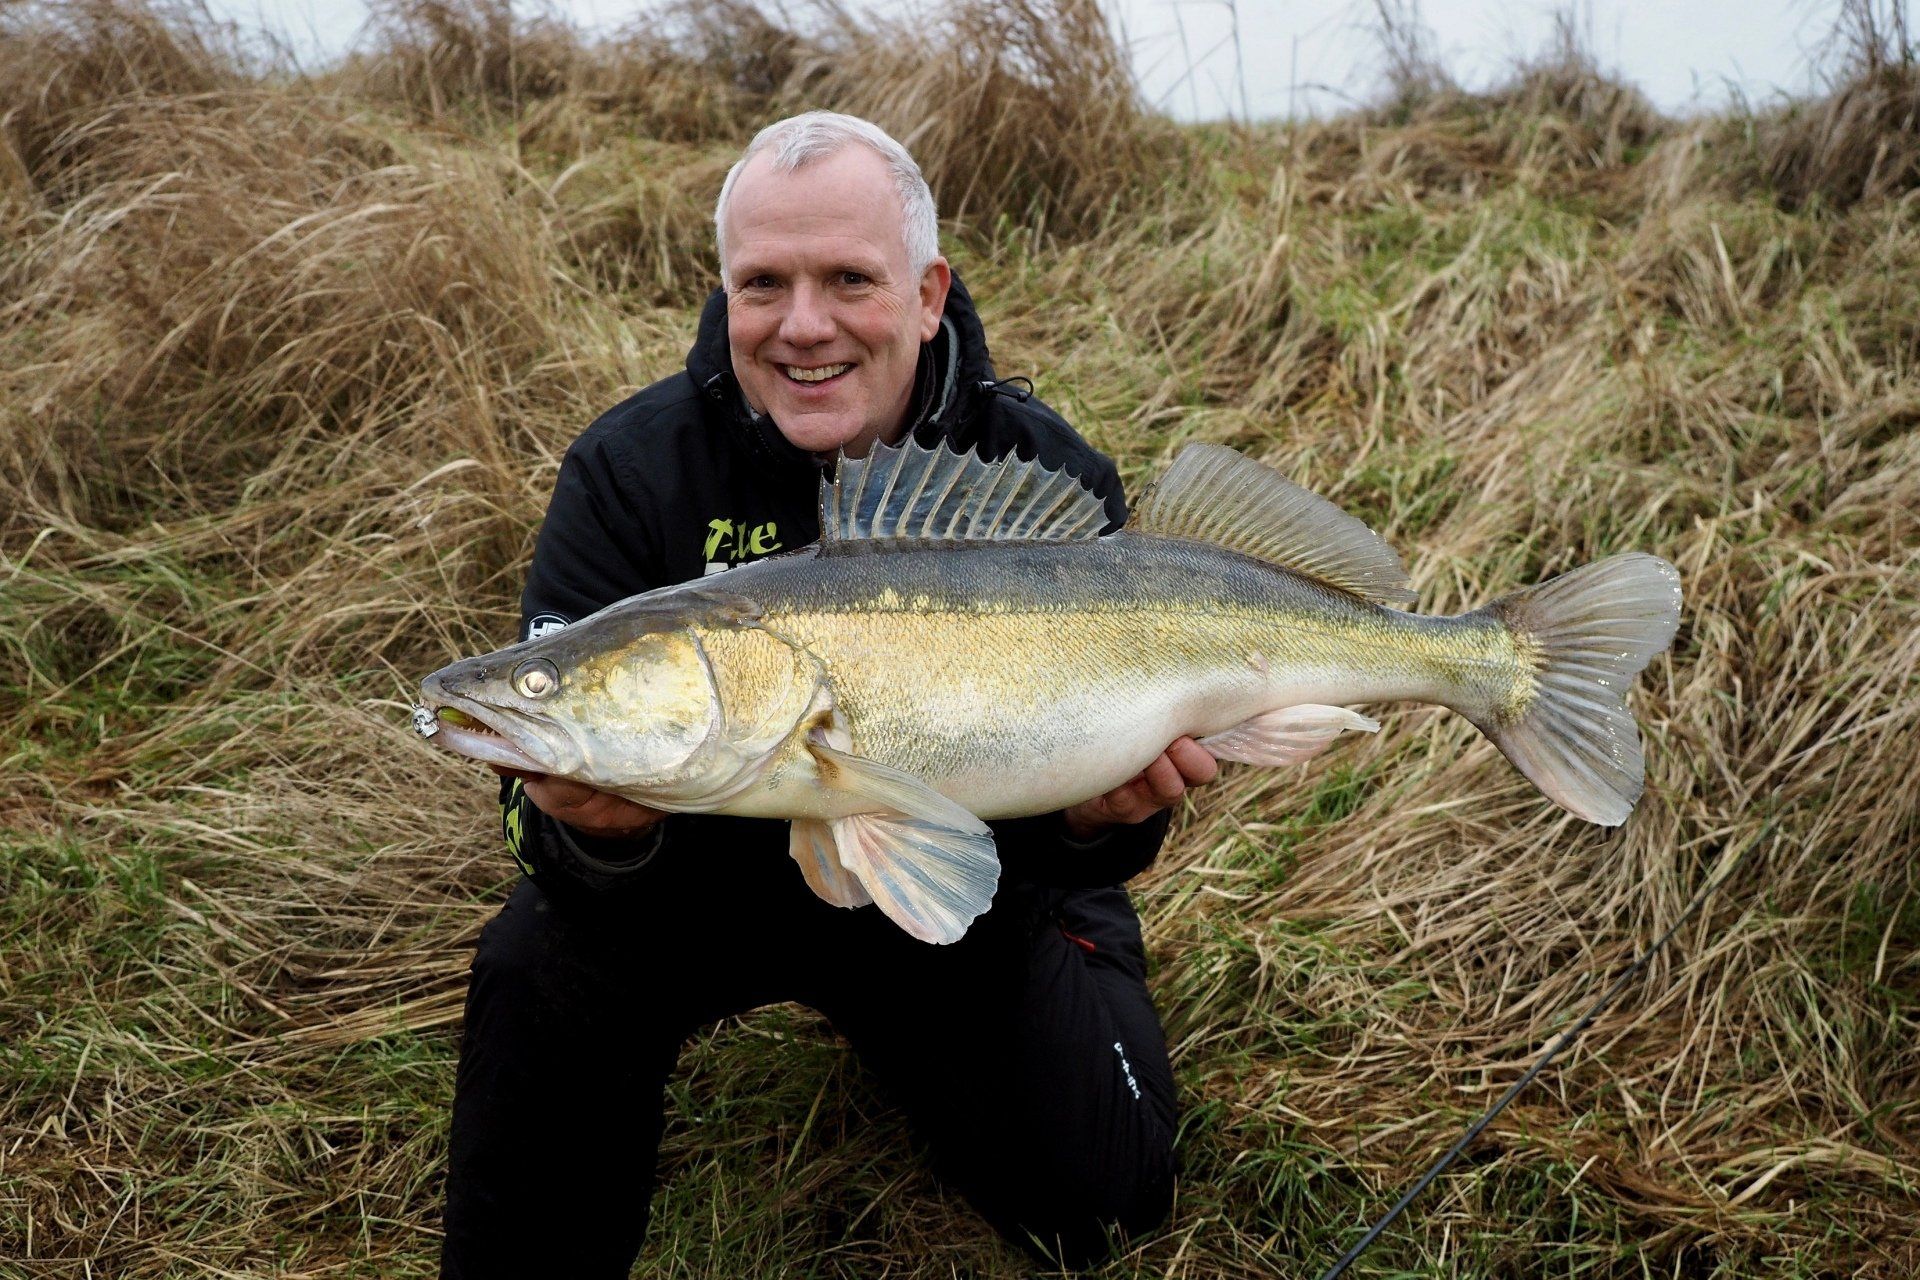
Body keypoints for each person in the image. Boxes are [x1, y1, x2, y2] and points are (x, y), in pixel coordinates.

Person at [440, 111, 1219, 1278]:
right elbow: (531, 829)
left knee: (1105, 1200)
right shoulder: (628, 472)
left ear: (924, 292)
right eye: (764, 284)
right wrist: (600, 838)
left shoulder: (1040, 473)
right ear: (726, 290)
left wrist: (1101, 819)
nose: (803, 326)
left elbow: (1095, 821)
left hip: (967, 882)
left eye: (849, 278)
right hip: (694, 885)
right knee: (537, 957)